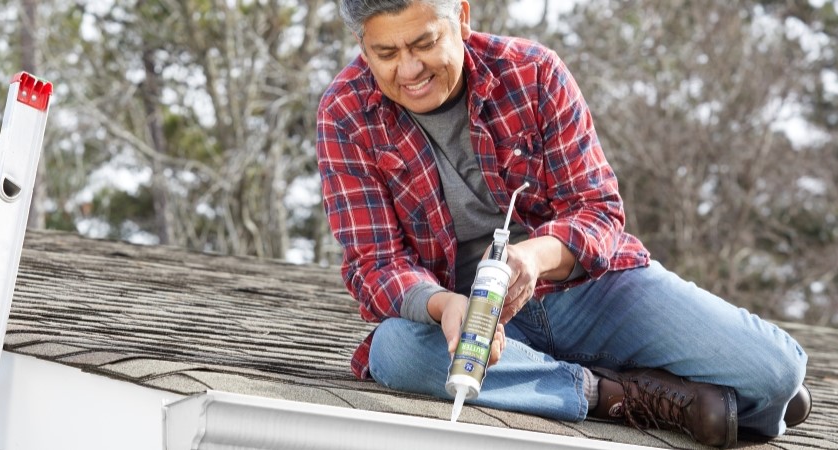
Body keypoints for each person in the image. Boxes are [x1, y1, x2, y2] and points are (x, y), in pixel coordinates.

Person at [315, 0, 812, 447]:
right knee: (396, 352)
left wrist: (533, 257)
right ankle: (614, 393)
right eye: (386, 53)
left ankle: (718, 393)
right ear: (363, 45)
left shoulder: (532, 71)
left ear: (461, 18)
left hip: (591, 290)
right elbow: (375, 264)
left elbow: (598, 209)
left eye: (425, 43)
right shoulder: (344, 113)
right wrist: (444, 305)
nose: (409, 68)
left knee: (776, 373)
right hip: (477, 323)